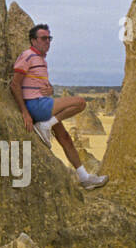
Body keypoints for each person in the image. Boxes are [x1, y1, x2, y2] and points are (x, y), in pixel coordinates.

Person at [10, 23, 108, 189]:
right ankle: (45, 125)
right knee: (80, 102)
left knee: (65, 139)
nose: (47, 41)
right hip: (36, 106)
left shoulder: (41, 60)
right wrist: (25, 112)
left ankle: (85, 178)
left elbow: (42, 86)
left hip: (42, 103)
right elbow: (14, 84)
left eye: (49, 38)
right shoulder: (27, 56)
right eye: (43, 38)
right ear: (33, 40)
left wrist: (50, 90)